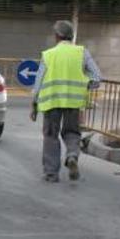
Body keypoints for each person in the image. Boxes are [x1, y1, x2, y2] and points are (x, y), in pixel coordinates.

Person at [30, 20, 102, 182]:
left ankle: (51, 173)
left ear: (57, 36)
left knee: (51, 135)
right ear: (71, 36)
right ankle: (71, 156)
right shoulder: (82, 52)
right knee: (72, 133)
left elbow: (38, 83)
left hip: (51, 102)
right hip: (74, 102)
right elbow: (97, 77)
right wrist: (85, 85)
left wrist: (34, 104)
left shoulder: (48, 55)